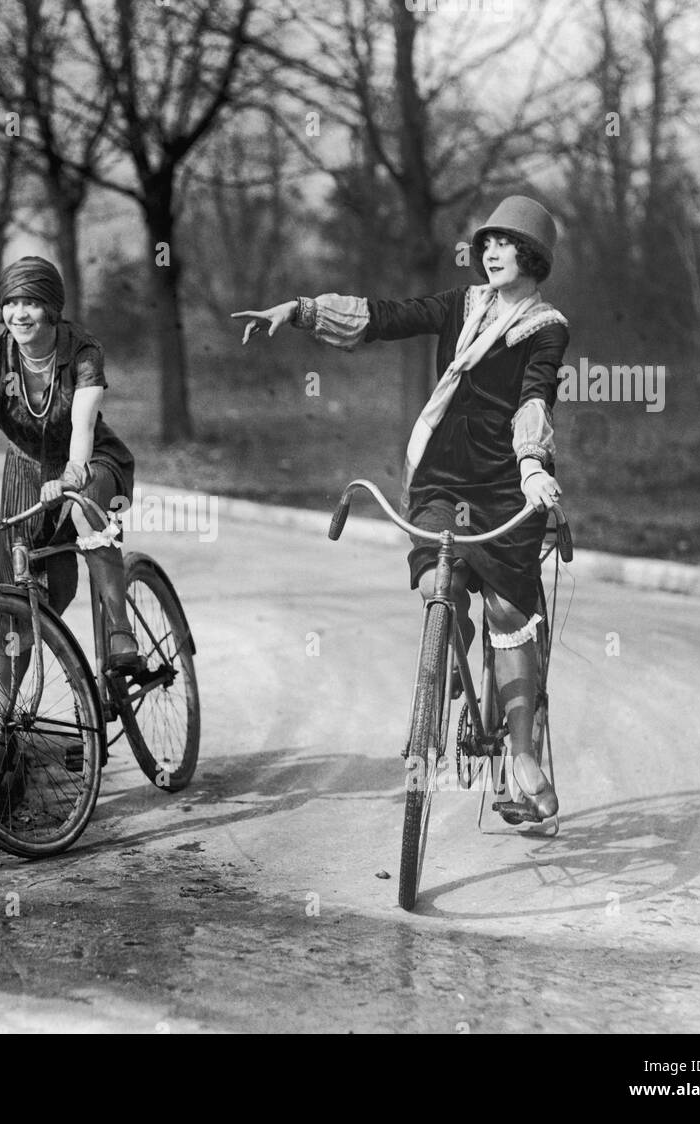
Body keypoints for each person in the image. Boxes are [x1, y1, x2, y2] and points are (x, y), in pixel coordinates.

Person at [232, 196, 568, 822]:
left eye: (506, 244)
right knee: (438, 584)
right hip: (441, 478)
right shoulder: (458, 305)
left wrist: (530, 467)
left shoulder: (547, 327)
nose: (490, 252)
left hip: (505, 485)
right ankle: (437, 698)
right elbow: (384, 316)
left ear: (534, 257)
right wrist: (299, 311)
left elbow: (536, 393)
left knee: (506, 610)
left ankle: (521, 755)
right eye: (487, 242)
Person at [0, 256, 139, 808]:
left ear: (53, 308)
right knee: (20, 601)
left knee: (83, 513)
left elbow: (83, 425)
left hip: (92, 464)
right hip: (24, 472)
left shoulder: (82, 351)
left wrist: (74, 475)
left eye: (30, 302)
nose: (19, 314)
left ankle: (122, 633)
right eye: (10, 303)